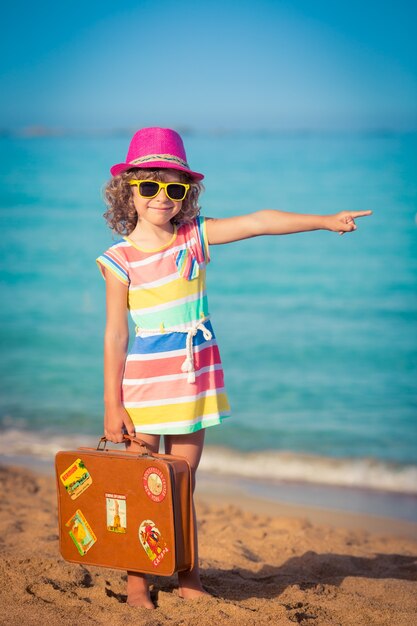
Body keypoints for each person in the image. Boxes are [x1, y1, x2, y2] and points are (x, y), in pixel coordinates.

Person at [96, 126, 371, 609]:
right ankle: (137, 582)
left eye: (175, 188)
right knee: (143, 487)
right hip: (142, 386)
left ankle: (187, 577)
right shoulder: (118, 260)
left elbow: (260, 221)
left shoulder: (195, 237)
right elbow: (116, 335)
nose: (163, 197)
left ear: (187, 195)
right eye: (151, 186)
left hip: (193, 379)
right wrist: (110, 405)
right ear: (130, 190)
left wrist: (325, 220)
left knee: (181, 485)